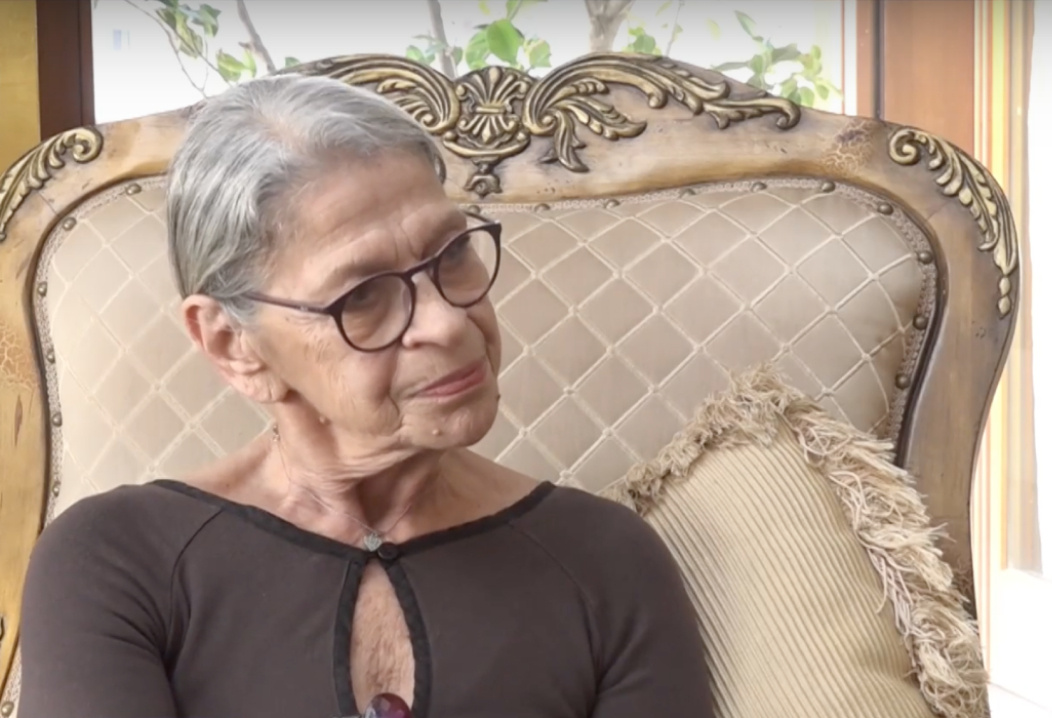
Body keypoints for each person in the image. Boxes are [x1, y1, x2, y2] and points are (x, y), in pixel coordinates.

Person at [18, 74, 713, 718]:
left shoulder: (605, 561)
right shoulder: (113, 563)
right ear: (234, 345)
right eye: (364, 296)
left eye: (453, 254)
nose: (448, 323)